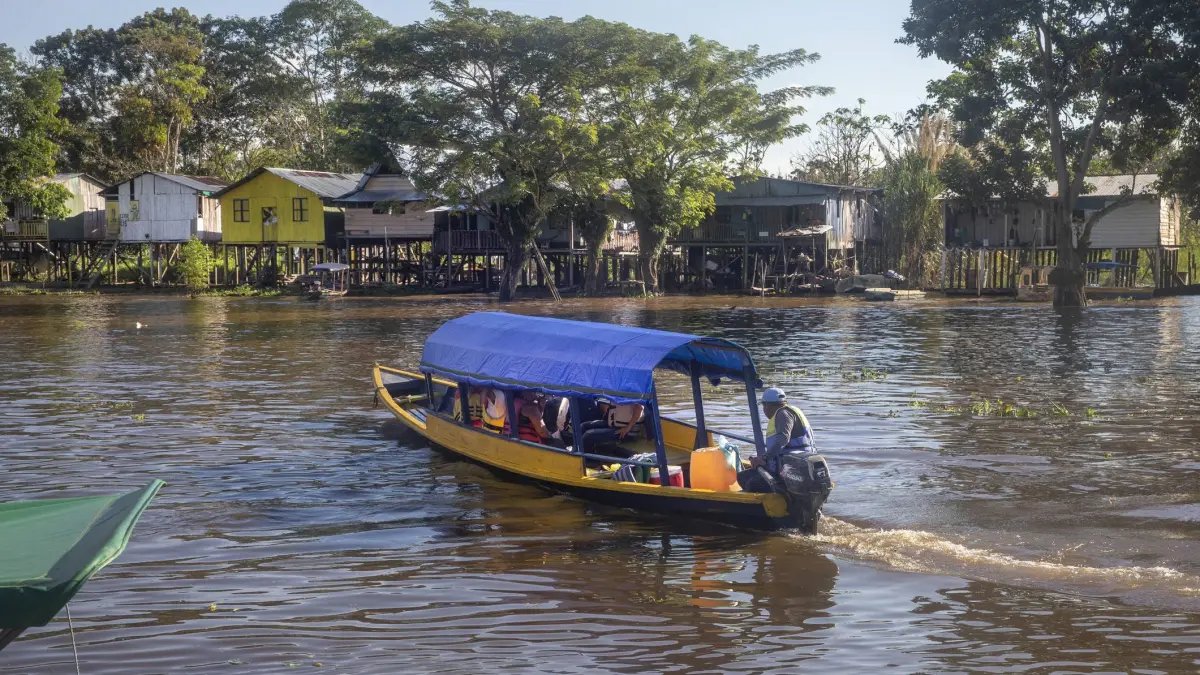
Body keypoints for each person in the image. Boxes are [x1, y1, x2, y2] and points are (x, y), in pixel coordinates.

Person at [738, 387, 814, 492]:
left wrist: (764, 458)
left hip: (790, 469)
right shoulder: (792, 411)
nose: (764, 410)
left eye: (764, 406)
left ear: (767, 405)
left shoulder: (782, 414)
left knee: (745, 477)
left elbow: (783, 439)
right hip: (798, 465)